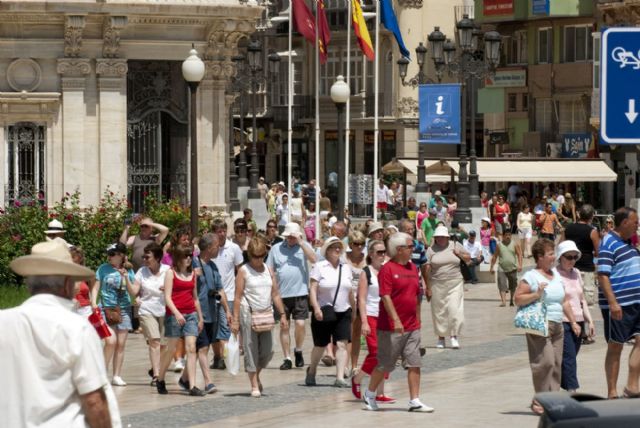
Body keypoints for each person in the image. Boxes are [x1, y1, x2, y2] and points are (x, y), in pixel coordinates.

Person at [2, 240, 119, 427]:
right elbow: (94, 401)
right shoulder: (76, 327)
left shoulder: (3, 321)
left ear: (29, 284)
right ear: (67, 283)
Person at [362, 232, 433, 413]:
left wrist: (418, 318)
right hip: (390, 328)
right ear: (399, 249)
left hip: (412, 326)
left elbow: (417, 295)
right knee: (385, 364)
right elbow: (385, 296)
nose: (413, 249)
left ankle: (415, 400)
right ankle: (370, 394)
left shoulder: (412, 268)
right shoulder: (388, 269)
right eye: (410, 246)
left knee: (414, 362)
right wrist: (395, 320)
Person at [514, 238, 568, 415]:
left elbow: (564, 299)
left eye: (553, 253)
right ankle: (539, 399)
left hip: (558, 324)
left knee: (557, 364)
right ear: (539, 257)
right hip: (539, 324)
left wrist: (574, 320)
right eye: (550, 254)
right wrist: (537, 294)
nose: (554, 257)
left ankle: (553, 400)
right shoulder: (531, 276)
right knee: (544, 362)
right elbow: (518, 298)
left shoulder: (556, 274)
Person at [232, 238, 288, 397]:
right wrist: (235, 320)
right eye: (255, 256)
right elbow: (237, 296)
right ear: (249, 255)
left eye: (262, 255)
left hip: (266, 313)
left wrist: (282, 314)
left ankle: (255, 374)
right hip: (248, 313)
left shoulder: (269, 270)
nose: (258, 259)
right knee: (251, 349)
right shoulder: (244, 270)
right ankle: (254, 385)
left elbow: (275, 294)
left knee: (269, 350)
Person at [597, 207, 640, 399]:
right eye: (635, 222)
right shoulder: (609, 243)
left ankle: (632, 385)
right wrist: (613, 303)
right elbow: (603, 276)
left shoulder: (628, 243)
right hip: (620, 304)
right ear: (624, 223)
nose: (637, 226)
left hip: (636, 302)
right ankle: (612, 391)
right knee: (616, 346)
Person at [181, 233, 231, 394]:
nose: (219, 248)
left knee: (202, 348)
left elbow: (220, 289)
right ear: (209, 248)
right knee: (202, 349)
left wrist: (227, 310)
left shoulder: (213, 266)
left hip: (211, 313)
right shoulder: (193, 263)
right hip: (196, 313)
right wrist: (192, 275)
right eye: (217, 246)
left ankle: (184, 378)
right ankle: (209, 382)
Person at [156, 245, 206, 396]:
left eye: (190, 255)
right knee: (171, 349)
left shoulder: (192, 275)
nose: (189, 258)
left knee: (191, 348)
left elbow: (195, 298)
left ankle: (192, 385)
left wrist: (200, 317)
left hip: (191, 314)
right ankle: (160, 378)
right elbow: (167, 297)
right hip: (174, 315)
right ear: (178, 258)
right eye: (185, 256)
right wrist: (177, 314)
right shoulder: (170, 273)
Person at [267, 223, 317, 370]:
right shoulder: (276, 248)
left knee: (300, 324)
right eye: (288, 236)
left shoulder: (304, 246)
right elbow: (269, 267)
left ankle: (299, 350)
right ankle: (287, 357)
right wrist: (272, 283)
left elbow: (314, 259)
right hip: (281, 294)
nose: (290, 239)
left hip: (300, 292)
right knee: (284, 326)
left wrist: (301, 242)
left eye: (293, 236)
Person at [306, 237, 353, 387]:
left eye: (339, 247)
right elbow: (313, 289)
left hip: (344, 310)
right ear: (327, 250)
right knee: (321, 345)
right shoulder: (319, 267)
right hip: (324, 310)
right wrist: (316, 308)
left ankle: (339, 377)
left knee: (341, 344)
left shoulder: (345, 268)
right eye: (334, 247)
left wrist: (355, 309)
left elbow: (350, 290)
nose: (338, 250)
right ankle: (312, 370)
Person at [351, 239, 394, 403]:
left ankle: (380, 392)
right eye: (379, 252)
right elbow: (361, 299)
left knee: (387, 355)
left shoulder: (387, 270)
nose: (382, 255)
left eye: (384, 252)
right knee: (376, 352)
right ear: (371, 254)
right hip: (371, 315)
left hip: (386, 316)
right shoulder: (366, 272)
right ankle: (358, 378)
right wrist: (364, 322)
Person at [92, 242, 135, 386]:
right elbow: (96, 287)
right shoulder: (103, 269)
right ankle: (101, 373)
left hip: (124, 309)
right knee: (111, 341)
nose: (109, 257)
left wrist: (126, 277)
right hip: (106, 308)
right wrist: (93, 303)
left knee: (121, 344)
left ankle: (116, 375)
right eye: (108, 254)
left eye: (112, 254)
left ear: (121, 255)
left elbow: (133, 292)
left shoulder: (128, 270)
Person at [555, 240, 595, 392]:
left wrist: (590, 321)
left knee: (568, 358)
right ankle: (573, 392)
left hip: (579, 322)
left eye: (574, 257)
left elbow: (582, 300)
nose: (572, 260)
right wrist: (572, 322)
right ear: (560, 257)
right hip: (563, 322)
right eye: (568, 257)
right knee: (569, 358)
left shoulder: (577, 273)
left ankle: (554, 385)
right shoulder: (555, 274)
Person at [131, 242, 170, 386]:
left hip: (165, 309)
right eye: (143, 256)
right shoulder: (141, 272)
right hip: (146, 309)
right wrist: (128, 284)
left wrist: (167, 287)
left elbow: (175, 287)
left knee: (165, 345)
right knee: (155, 341)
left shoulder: (168, 270)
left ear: (158, 257)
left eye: (147, 257)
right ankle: (156, 375)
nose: (144, 259)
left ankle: (156, 367)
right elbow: (135, 290)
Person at [426, 225, 470, 349]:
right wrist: (427, 286)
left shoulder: (455, 245)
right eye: (437, 237)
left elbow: (468, 258)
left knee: (454, 309)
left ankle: (454, 336)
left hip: (455, 282)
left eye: (442, 237)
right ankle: (441, 337)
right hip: (437, 283)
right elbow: (427, 268)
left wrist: (459, 254)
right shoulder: (430, 250)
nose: (440, 239)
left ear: (447, 237)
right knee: (439, 312)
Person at [211, 218, 244, 370]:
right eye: (219, 231)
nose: (222, 234)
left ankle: (226, 359)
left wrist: (240, 290)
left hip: (229, 294)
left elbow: (240, 270)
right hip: (211, 295)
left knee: (225, 327)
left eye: (224, 231)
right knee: (213, 328)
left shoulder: (234, 248)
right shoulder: (210, 248)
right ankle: (217, 356)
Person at [563, 204, 600, 309]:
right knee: (586, 302)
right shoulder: (592, 231)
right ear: (592, 216)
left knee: (570, 299)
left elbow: (561, 246)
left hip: (570, 268)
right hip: (587, 268)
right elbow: (598, 252)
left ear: (578, 215)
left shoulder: (568, 229)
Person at [346, 230, 367, 374]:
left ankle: (354, 365)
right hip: (346, 299)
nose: (359, 247)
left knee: (356, 334)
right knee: (346, 334)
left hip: (361, 299)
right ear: (350, 244)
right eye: (356, 244)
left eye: (362, 244)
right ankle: (344, 364)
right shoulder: (343, 258)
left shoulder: (366, 259)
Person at [490, 230, 523, 307]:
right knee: (502, 284)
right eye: (506, 235)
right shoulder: (499, 245)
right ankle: (503, 301)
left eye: (509, 235)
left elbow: (519, 255)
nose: (508, 237)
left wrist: (520, 265)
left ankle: (511, 300)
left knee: (513, 285)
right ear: (503, 236)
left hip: (512, 268)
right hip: (501, 268)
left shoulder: (515, 244)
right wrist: (491, 267)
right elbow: (495, 256)